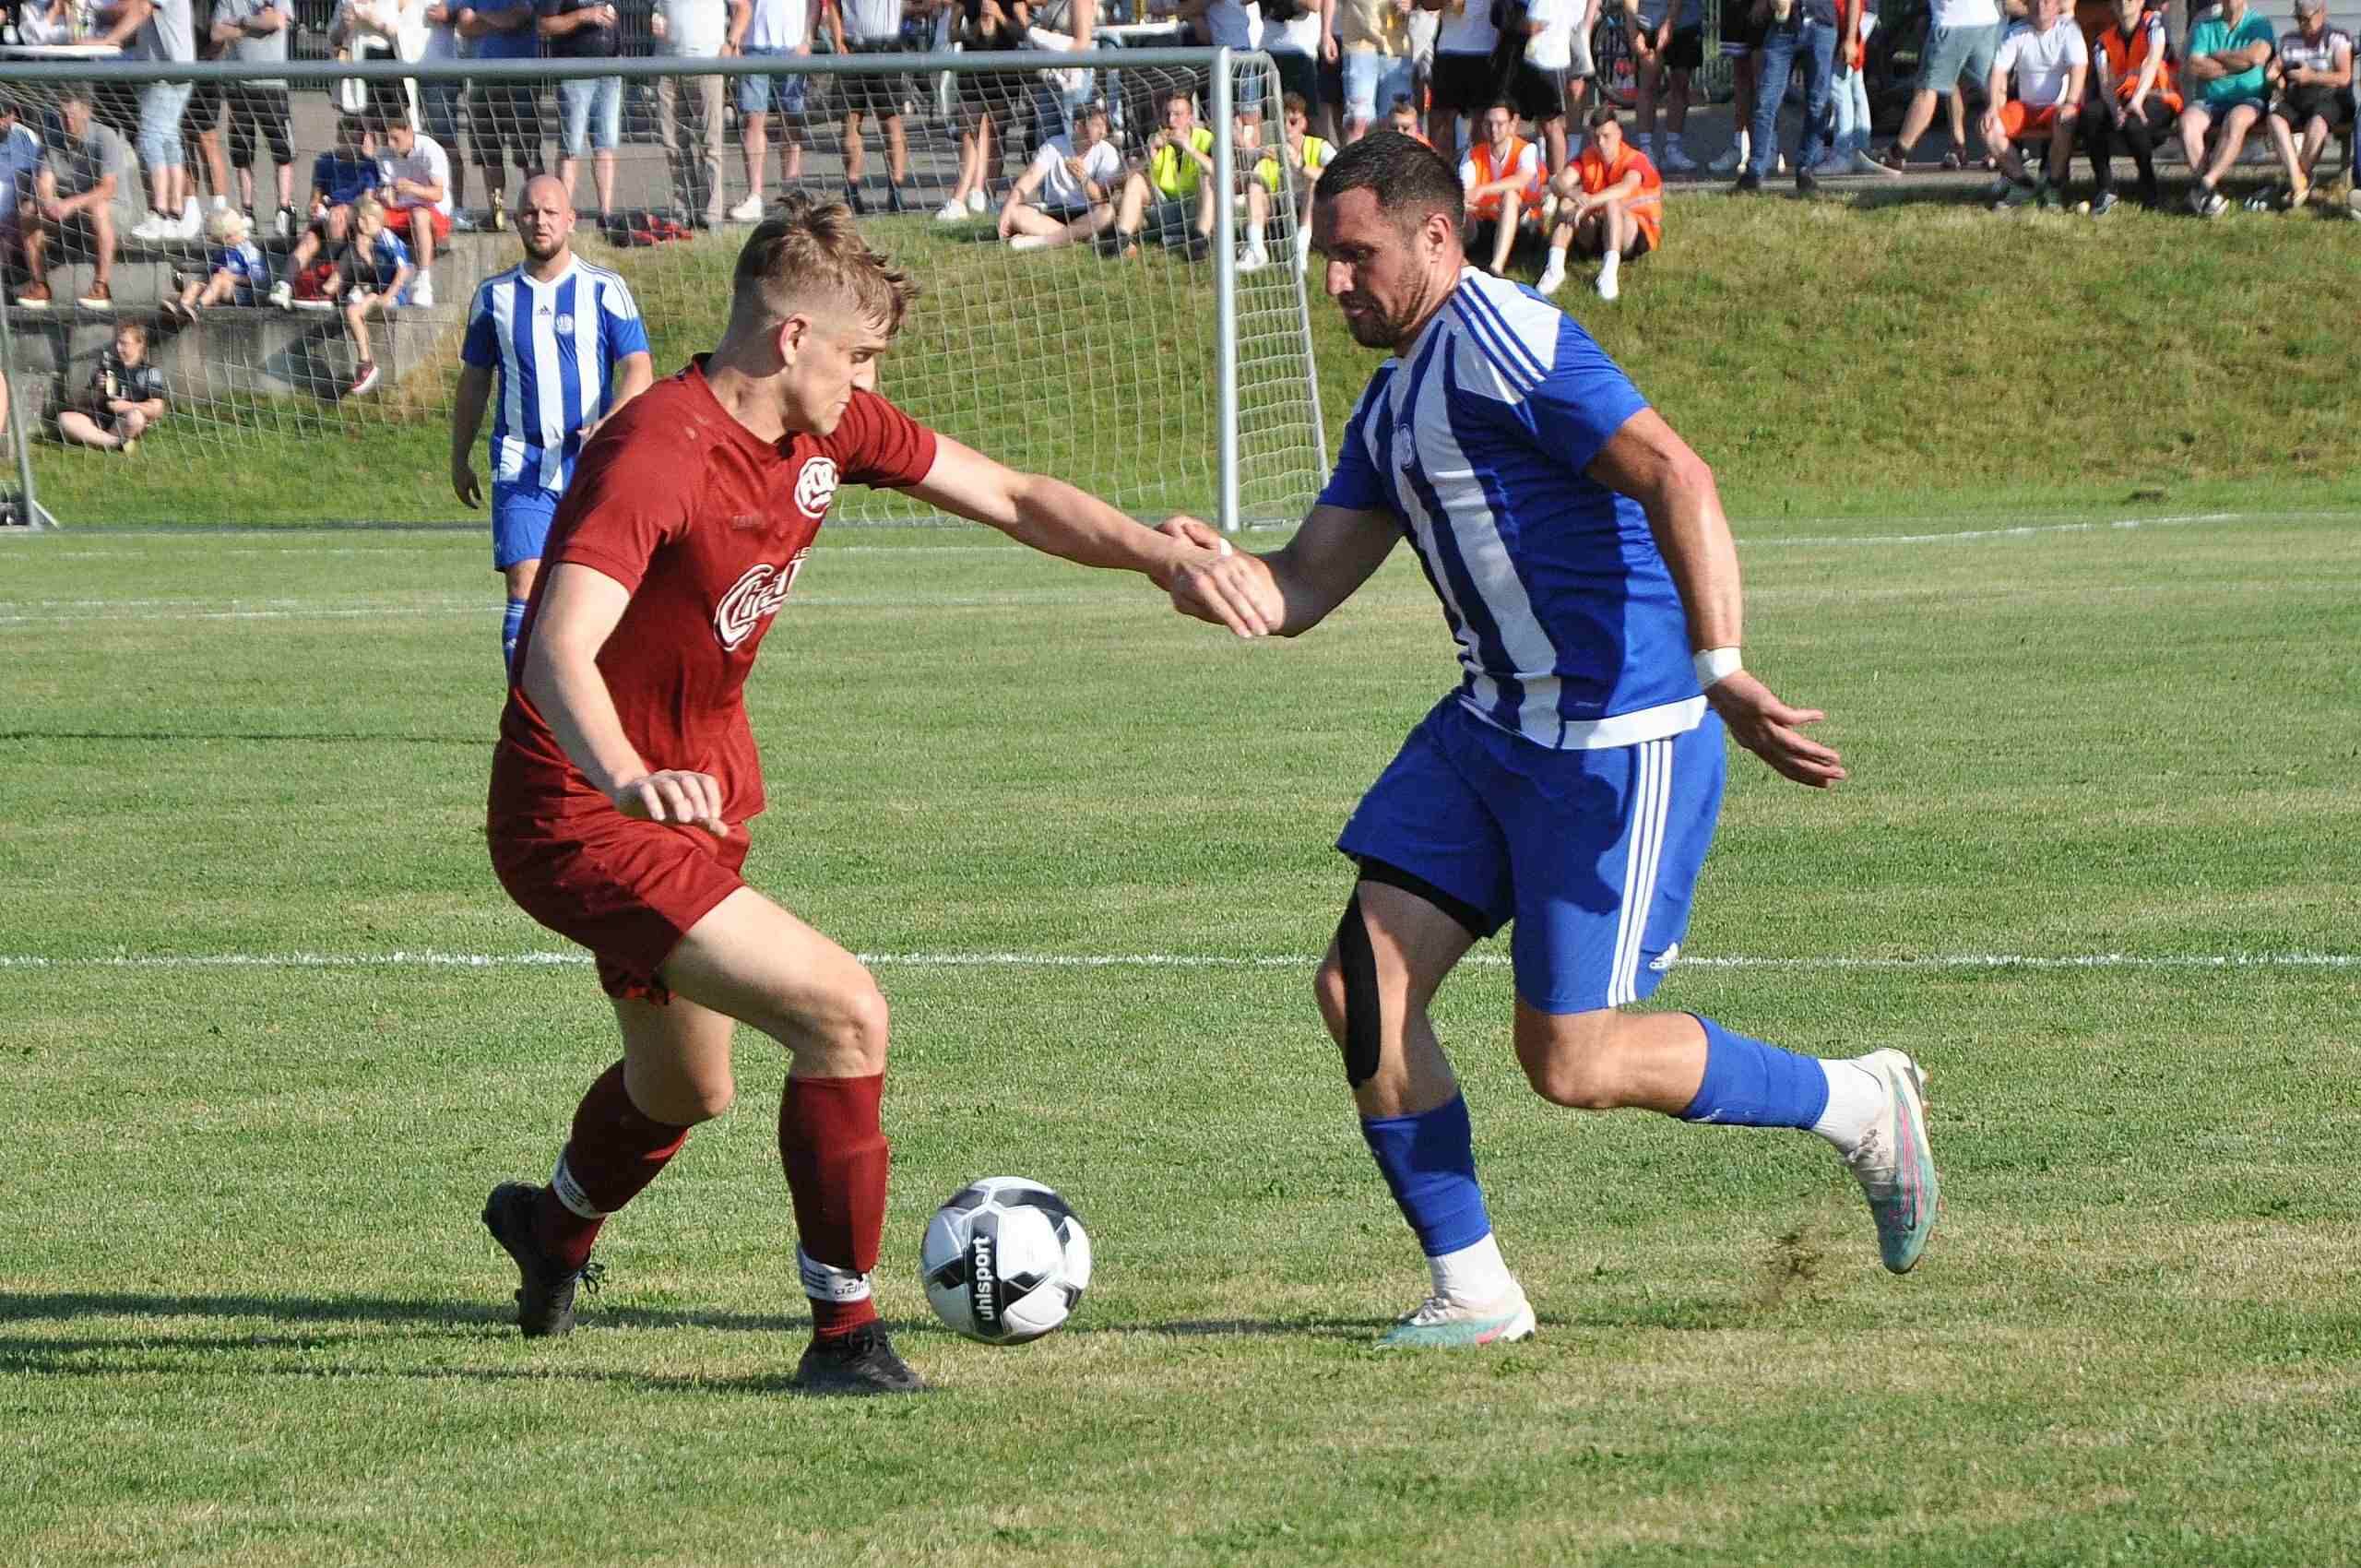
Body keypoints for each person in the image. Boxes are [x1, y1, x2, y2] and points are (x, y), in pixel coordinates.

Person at [1159, 131, 1940, 1349]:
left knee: (1572, 1063)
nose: (1336, 283)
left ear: (1435, 237)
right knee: (1360, 986)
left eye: (1357, 256)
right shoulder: (1393, 397)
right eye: (1326, 259)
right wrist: (1207, 571)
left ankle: (1857, 1101)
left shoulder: (1506, 339)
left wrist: (1722, 666)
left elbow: (1678, 474)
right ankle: (1473, 1291)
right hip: (1490, 729)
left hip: (1616, 738)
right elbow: (1302, 585)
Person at [475, 193, 1258, 1393]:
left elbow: (1012, 494)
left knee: (685, 1086)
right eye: (859, 355)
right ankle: (843, 1334)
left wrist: (1158, 555)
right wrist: (626, 774)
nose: (868, 382)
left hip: (697, 804)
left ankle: (551, 1228)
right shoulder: (656, 453)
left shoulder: (824, 429)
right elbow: (555, 648)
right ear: (791, 338)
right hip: (582, 813)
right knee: (843, 1012)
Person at [452, 173, 656, 671]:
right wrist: (459, 457)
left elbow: (639, 369)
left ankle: (593, 700)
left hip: (593, 467)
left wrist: (610, 423)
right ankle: (525, 707)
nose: (540, 221)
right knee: (524, 582)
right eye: (530, 212)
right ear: (516, 221)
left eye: (550, 212)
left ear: (570, 220)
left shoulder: (604, 288)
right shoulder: (494, 296)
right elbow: (474, 380)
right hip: (521, 460)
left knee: (594, 592)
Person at [97, 0, 204, 242]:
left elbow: (141, 9)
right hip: (174, 69)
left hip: (165, 73)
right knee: (169, 141)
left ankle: (159, 213)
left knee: (151, 141)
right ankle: (174, 214)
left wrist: (108, 38)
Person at [17, 88, 130, 311]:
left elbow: (108, 189)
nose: (68, 121)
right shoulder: (52, 138)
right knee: (28, 211)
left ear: (87, 112)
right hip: (69, 212)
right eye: (64, 115)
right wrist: (48, 202)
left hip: (112, 209)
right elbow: (45, 183)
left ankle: (101, 287)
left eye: (73, 115)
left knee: (98, 207)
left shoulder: (105, 136)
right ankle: (40, 285)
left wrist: (70, 204)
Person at [1536, 104, 1658, 299]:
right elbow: (1558, 183)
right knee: (1566, 203)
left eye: (1606, 136)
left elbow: (1625, 187)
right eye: (1595, 137)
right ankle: (1554, 268)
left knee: (1612, 203)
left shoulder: (1636, 159)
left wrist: (1590, 201)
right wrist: (1572, 194)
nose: (1601, 143)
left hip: (1632, 233)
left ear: (1619, 133)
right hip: (1597, 231)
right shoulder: (1587, 157)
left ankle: (1609, 273)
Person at [1980, 0, 2086, 208]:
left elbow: (2079, 68)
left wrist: (2070, 103)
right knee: (1988, 127)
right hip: (2025, 108)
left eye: (2047, 1)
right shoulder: (2015, 32)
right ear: (2027, 6)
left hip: (2057, 108)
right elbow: (1998, 70)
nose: (2041, 6)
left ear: (2057, 6)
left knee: (2066, 120)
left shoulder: (2070, 31)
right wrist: (1992, 106)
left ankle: (2053, 186)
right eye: (2035, 1)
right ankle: (2023, 183)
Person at [1878, 0, 2004, 171]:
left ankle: (1896, 154)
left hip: (1951, 22)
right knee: (1990, 86)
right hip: (1987, 19)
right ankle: (2000, 150)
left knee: (1927, 89)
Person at [267, 116, 379, 309]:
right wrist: (315, 208)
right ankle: (283, 285)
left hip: (354, 222)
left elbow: (367, 205)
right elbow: (315, 198)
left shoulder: (370, 166)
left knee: (359, 238)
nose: (356, 138)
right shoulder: (325, 162)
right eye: (350, 133)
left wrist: (347, 211)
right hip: (327, 219)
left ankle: (338, 290)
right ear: (340, 136)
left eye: (360, 134)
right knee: (309, 240)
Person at [2177, 0, 2274, 218]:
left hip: (2249, 98)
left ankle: (2205, 185)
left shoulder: (2259, 23)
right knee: (2187, 123)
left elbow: (2256, 57)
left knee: (2236, 119)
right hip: (2210, 100)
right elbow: (2194, 65)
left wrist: (2217, 55)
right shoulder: (2205, 25)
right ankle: (2211, 193)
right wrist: (2238, 63)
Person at [211, 0, 299, 240]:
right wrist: (256, 24)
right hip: (237, 85)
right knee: (241, 152)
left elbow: (277, 21)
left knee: (282, 150)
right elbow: (217, 32)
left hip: (271, 84)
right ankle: (247, 212)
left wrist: (240, 23)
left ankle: (284, 209)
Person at [2079, 0, 2176, 213]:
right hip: (2122, 98)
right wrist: (2115, 110)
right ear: (2112, 6)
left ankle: (2149, 188)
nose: (2124, 3)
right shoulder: (2103, 40)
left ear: (2141, 2)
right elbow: (2105, 83)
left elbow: (2152, 62)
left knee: (2134, 123)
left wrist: (2136, 101)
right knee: (2090, 114)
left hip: (2157, 96)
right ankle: (2105, 187)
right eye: (2119, 0)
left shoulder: (2154, 25)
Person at [2258, 0, 2352, 211]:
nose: (2302, 24)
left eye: (2306, 19)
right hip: (2297, 96)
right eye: (2298, 18)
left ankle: (2297, 181)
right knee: (2274, 119)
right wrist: (2275, 76)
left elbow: (2344, 77)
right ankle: (2297, 179)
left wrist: (2312, 76)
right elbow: (2281, 75)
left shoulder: (2337, 38)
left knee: (2317, 124)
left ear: (2322, 12)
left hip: (2331, 96)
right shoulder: (2289, 39)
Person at [939, 0, 1027, 222]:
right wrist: (975, 27)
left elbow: (1021, 33)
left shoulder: (1013, 3)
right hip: (972, 71)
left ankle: (988, 196)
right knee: (969, 131)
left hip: (1003, 72)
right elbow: (953, 34)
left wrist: (1000, 16)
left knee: (996, 135)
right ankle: (964, 195)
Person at [1737, 0, 1838, 194]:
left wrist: (1851, 37)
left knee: (1818, 103)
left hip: (1821, 23)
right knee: (1766, 101)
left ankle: (1805, 168)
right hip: (1783, 27)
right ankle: (1755, 171)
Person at [458, 0, 543, 228]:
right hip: (482, 79)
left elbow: (517, 16)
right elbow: (464, 26)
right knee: (489, 153)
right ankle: (496, 214)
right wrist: (498, 20)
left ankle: (540, 210)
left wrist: (481, 18)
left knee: (528, 153)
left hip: (520, 79)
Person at [729, 0, 814, 224]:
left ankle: (790, 196)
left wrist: (807, 39)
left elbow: (814, 4)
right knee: (753, 120)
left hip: (793, 47)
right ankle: (755, 196)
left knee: (792, 120)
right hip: (754, 46)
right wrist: (736, 37)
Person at [999, 100, 1122, 252]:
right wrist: (1008, 208)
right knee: (1016, 213)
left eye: (1106, 127)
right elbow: (1030, 178)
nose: (1103, 132)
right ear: (1078, 125)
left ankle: (1042, 241)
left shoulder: (1107, 152)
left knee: (1107, 213)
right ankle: (1080, 237)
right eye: (1097, 125)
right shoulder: (1054, 145)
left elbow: (1102, 197)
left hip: (1087, 213)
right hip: (1054, 211)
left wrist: (1083, 178)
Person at [539, 0, 623, 222]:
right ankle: (563, 214)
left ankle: (606, 215)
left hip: (610, 69)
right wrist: (582, 15)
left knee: (606, 146)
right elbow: (545, 25)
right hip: (574, 72)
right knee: (571, 147)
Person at [831, 0, 918, 213]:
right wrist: (838, 40)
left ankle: (896, 190)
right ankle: (852, 189)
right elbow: (833, 4)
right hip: (852, 45)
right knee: (851, 120)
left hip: (886, 45)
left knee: (891, 120)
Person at [652, 0, 730, 229]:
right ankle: (683, 210)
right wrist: (654, 16)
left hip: (707, 62)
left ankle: (711, 215)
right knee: (673, 144)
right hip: (666, 64)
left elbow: (742, 8)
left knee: (710, 143)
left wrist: (732, 41)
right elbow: (655, 7)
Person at [1112, 89, 1218, 256]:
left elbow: (1221, 174)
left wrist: (1189, 148)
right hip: (1162, 208)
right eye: (1167, 114)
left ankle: (1199, 242)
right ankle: (1121, 240)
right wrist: (1149, 155)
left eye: (1177, 115)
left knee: (1208, 180)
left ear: (1190, 118)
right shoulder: (1154, 139)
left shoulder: (1206, 138)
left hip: (1194, 209)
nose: (1170, 120)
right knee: (1136, 180)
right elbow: (1126, 177)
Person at [329, 195, 417, 396]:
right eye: (358, 220)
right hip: (378, 290)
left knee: (354, 311)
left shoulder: (387, 238)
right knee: (353, 308)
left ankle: (366, 363)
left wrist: (388, 295)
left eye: (365, 219)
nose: (361, 224)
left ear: (377, 219)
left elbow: (404, 270)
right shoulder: (373, 242)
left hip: (395, 294)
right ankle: (365, 361)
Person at [1243, 90, 1334, 270]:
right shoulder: (1271, 150)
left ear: (1304, 123)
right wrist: (1257, 157)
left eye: (1293, 122)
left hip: (1316, 213)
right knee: (1255, 185)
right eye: (1282, 121)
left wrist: (1301, 164)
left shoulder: (1320, 146)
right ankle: (1256, 250)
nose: (1286, 127)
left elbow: (1338, 175)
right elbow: (1248, 183)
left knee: (1313, 183)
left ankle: (1300, 251)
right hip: (1281, 211)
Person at [374, 116, 452, 307]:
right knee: (367, 215)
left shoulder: (430, 150)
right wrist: (385, 195)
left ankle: (423, 280)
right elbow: (386, 190)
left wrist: (412, 188)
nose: (390, 145)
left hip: (432, 209)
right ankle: (367, 281)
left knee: (419, 214)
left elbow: (438, 194)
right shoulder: (383, 153)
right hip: (400, 208)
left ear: (409, 131)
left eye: (395, 138)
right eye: (386, 139)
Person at [58, 321, 167, 453]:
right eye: (117, 343)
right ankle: (115, 443)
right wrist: (97, 390)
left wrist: (126, 406)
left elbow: (157, 409)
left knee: (136, 418)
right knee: (64, 419)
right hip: (98, 420)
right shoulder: (107, 366)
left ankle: (95, 439)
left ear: (140, 344)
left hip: (123, 421)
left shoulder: (149, 372)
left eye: (124, 343)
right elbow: (82, 400)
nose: (118, 348)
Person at [417, 0, 474, 232]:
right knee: (403, 141)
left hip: (438, 69)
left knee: (445, 141)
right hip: (399, 63)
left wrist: (450, 12)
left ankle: (455, 208)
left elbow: (467, 9)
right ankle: (416, 205)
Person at [1625, 0, 1703, 171]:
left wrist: (1669, 23)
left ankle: (1673, 148)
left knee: (1680, 83)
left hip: (1685, 20)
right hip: (1647, 21)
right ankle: (1645, 149)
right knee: (1648, 83)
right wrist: (1633, 31)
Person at [1421, 0, 1496, 168]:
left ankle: (1480, 173)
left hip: (1485, 50)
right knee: (1441, 120)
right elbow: (1427, 5)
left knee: (1483, 121)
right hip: (1448, 49)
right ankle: (1442, 175)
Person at [162, 203, 271, 317]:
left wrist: (232, 277)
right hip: (218, 290)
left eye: (227, 237)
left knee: (219, 279)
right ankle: (183, 307)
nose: (223, 242)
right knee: (195, 285)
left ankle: (197, 308)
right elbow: (211, 269)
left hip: (244, 294)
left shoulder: (248, 251)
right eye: (220, 240)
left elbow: (260, 279)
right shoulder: (222, 249)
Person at [1336, 0, 1414, 143]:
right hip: (1359, 44)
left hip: (1398, 48)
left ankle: (1393, 159)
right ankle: (1355, 158)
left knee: (1395, 123)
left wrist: (1412, 3)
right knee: (1358, 121)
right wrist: (1325, 34)